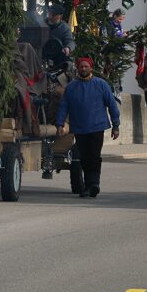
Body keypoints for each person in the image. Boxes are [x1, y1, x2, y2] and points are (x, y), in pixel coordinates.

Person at [56, 57, 120, 198]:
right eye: (81, 67)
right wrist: (60, 123)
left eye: (86, 66)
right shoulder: (72, 87)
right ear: (78, 69)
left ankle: (93, 184)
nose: (83, 69)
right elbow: (64, 106)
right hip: (79, 128)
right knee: (84, 157)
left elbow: (112, 105)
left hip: (97, 127)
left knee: (94, 156)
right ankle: (88, 185)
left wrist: (116, 125)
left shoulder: (101, 84)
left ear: (91, 68)